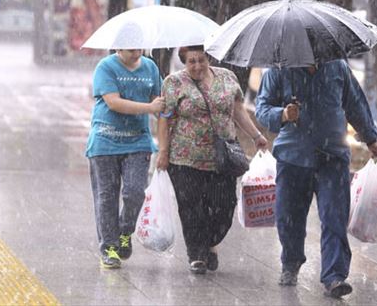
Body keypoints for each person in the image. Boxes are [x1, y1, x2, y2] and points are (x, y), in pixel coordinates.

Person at [255, 60, 377, 298]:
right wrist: (282, 114)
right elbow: (262, 108)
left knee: (334, 217)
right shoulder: (279, 69)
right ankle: (291, 262)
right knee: (288, 218)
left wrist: (370, 139)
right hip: (293, 157)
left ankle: (334, 276)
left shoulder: (338, 67)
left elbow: (355, 103)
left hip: (333, 158)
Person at [156, 45, 268, 274]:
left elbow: (238, 111)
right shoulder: (174, 83)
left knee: (224, 206)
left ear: (208, 58)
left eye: (200, 60)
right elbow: (164, 119)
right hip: (185, 158)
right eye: (191, 62)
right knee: (191, 208)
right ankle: (196, 254)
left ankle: (209, 242)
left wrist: (256, 135)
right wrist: (163, 152)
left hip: (222, 157)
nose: (196, 66)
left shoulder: (227, 78)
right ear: (184, 63)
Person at [85, 49, 164, 269]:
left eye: (138, 47)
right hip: (105, 141)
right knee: (106, 197)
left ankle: (124, 231)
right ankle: (109, 248)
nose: (135, 52)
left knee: (136, 192)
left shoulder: (150, 67)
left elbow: (159, 103)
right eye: (130, 48)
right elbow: (113, 102)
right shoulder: (105, 67)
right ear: (118, 48)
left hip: (138, 142)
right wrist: (150, 108)